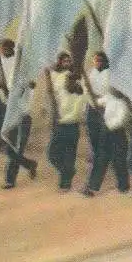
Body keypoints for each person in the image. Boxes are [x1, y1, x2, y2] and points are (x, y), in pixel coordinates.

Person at [47, 54, 86, 192]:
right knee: (52, 154)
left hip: (72, 123)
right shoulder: (58, 78)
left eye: (69, 61)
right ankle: (68, 173)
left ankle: (65, 183)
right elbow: (53, 95)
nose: (67, 63)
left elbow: (82, 100)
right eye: (64, 61)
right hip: (60, 122)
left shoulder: (77, 81)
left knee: (69, 155)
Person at [82, 89, 132, 197]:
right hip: (108, 133)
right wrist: (91, 95)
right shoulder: (111, 97)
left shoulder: (123, 104)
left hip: (116, 134)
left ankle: (123, 186)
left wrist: (106, 124)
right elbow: (97, 102)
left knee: (118, 161)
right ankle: (93, 187)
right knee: (103, 159)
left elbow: (120, 121)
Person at [86, 51, 111, 164]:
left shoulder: (108, 73)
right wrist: (92, 98)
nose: (98, 62)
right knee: (92, 130)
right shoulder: (92, 72)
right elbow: (87, 88)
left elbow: (108, 90)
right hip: (92, 105)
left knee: (104, 132)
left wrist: (100, 99)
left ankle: (104, 156)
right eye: (96, 60)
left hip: (104, 106)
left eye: (100, 60)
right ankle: (95, 153)